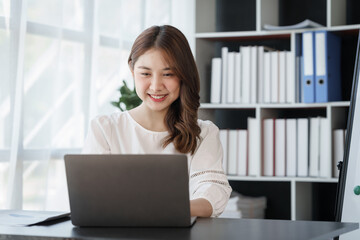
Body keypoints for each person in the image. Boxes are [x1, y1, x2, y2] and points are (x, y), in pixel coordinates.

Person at [82, 25, 232, 217]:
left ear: (183, 75)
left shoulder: (203, 133)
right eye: (145, 73)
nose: (155, 86)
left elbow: (211, 195)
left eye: (168, 74)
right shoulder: (104, 129)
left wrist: (153, 209)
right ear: (132, 69)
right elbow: (92, 196)